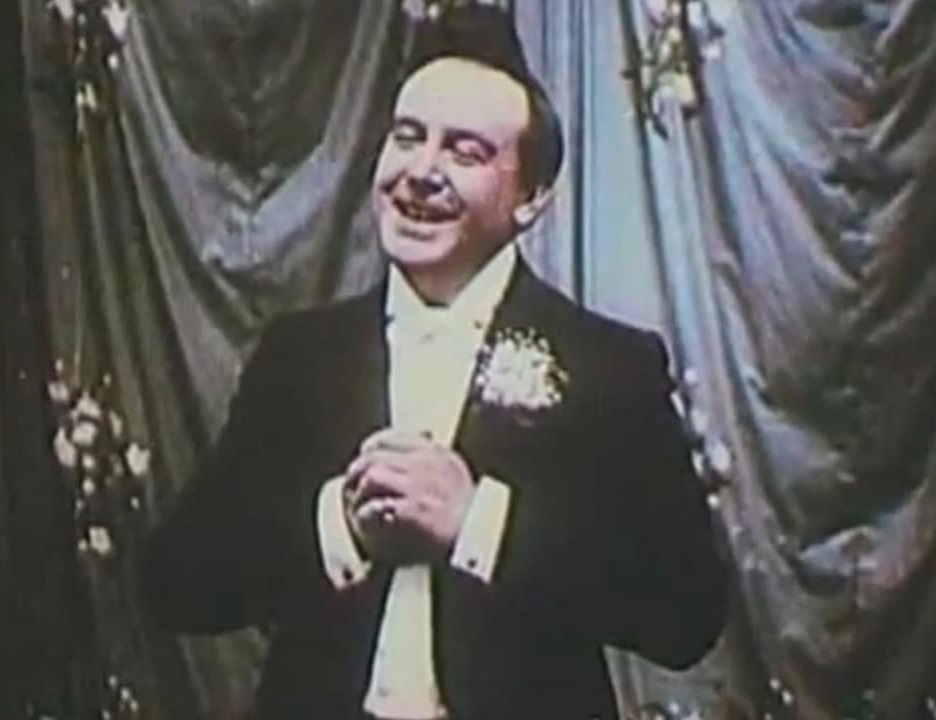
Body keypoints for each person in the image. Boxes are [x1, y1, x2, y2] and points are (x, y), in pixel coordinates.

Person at [141, 6, 726, 719]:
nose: (421, 172)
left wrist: (478, 524)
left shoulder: (611, 368)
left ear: (532, 197)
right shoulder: (300, 357)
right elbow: (176, 583)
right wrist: (339, 524)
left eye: (465, 152)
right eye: (408, 137)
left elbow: (687, 616)